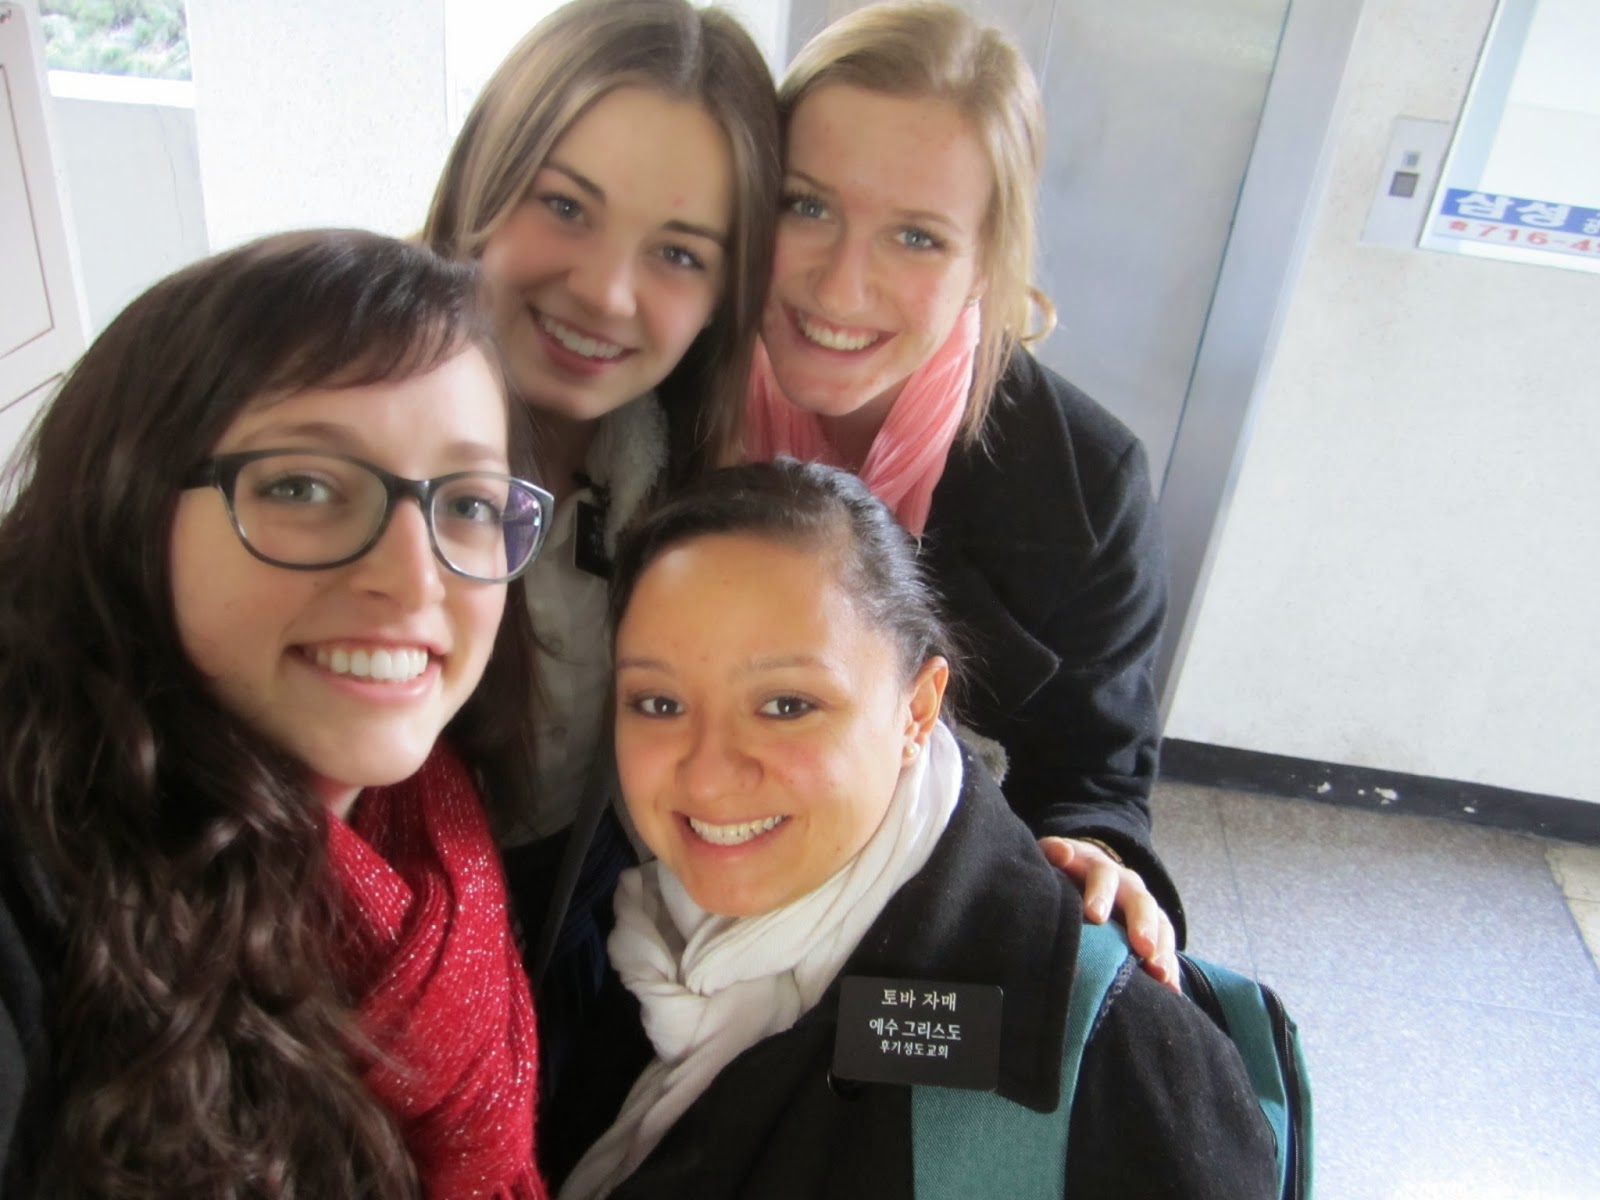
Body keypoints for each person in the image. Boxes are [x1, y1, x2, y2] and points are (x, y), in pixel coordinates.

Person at [0, 230, 552, 1198]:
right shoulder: (34, 881)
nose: (413, 577)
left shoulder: (437, 824)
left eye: (468, 504)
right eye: (302, 485)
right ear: (126, 505)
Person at [554, 459, 1276, 1198]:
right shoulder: (621, 938)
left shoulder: (1105, 1061)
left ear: (917, 711)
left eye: (787, 705)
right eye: (659, 703)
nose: (707, 777)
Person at [743, 2, 1184, 956]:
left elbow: (1095, 775)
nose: (841, 286)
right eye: (806, 206)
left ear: (988, 261)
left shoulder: (1086, 487)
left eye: (917, 237)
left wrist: (1097, 857)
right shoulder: (661, 390)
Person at [421, 0, 781, 858]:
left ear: (724, 299)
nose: (606, 294)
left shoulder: (698, 479)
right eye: (565, 206)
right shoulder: (333, 420)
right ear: (483, 180)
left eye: (679, 254)